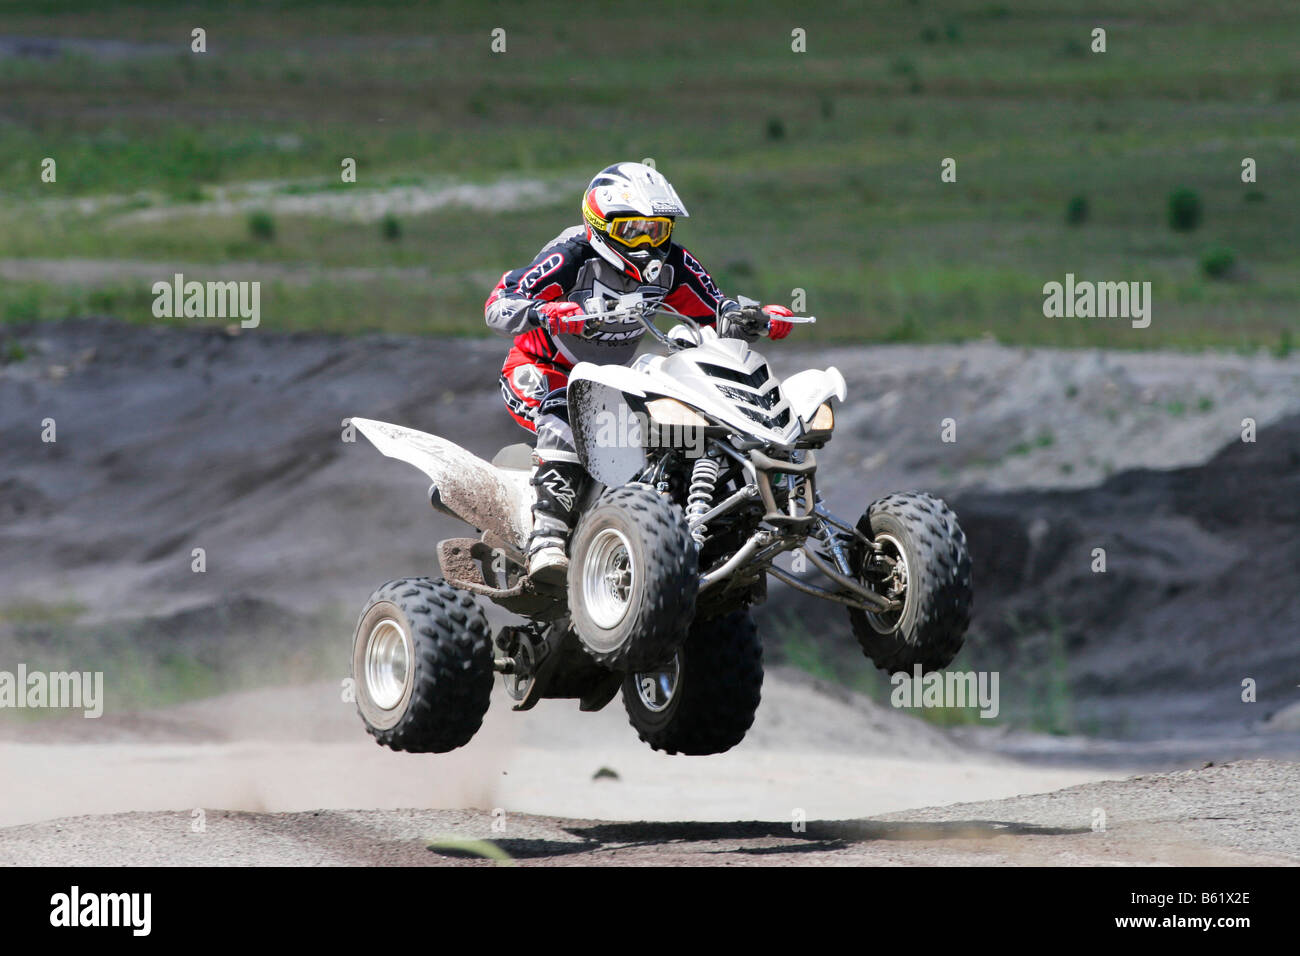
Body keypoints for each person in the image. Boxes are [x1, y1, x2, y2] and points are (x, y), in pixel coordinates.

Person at [485, 161, 796, 583]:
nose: (648, 242)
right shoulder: (570, 255)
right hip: (540, 370)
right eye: (634, 230)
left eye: (658, 230)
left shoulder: (673, 263)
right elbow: (498, 305)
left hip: (610, 378)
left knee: (673, 418)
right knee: (564, 409)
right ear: (602, 223)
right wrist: (545, 311)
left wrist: (758, 317)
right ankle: (547, 539)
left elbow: (716, 311)